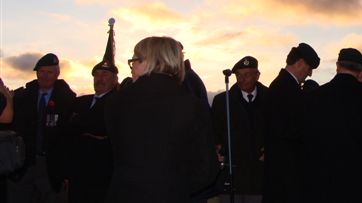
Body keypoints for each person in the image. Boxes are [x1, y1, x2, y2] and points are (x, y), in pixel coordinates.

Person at [105, 36, 215, 203]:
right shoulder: (193, 106)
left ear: (149, 61)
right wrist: (176, 187)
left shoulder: (116, 101)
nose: (131, 66)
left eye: (134, 60)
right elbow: (206, 170)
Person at [303, 48, 362, 203]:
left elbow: (308, 141)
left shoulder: (314, 97)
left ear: (337, 66)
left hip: (324, 180)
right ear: (360, 71)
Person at [8, 53, 76, 203]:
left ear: (57, 74)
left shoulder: (67, 100)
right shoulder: (22, 97)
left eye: (49, 72)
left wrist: (66, 172)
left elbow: (69, 139)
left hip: (51, 168)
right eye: (41, 72)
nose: (44, 76)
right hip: (24, 165)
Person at [263, 43, 320, 203]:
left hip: (280, 172)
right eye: (309, 68)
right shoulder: (287, 90)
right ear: (300, 63)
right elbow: (291, 131)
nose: (309, 74)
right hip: (287, 174)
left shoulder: (281, 86)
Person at [210, 56, 268, 203]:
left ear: (257, 75)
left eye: (247, 75)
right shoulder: (222, 101)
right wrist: (217, 149)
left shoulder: (270, 98)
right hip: (232, 175)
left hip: (260, 175)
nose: (242, 79)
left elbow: (278, 129)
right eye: (238, 75)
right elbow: (214, 131)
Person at [67, 60, 119, 203]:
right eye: (96, 75)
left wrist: (82, 128)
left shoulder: (117, 103)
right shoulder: (80, 102)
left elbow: (104, 130)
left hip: (102, 172)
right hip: (78, 172)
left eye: (104, 74)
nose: (99, 78)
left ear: (115, 80)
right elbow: (68, 131)